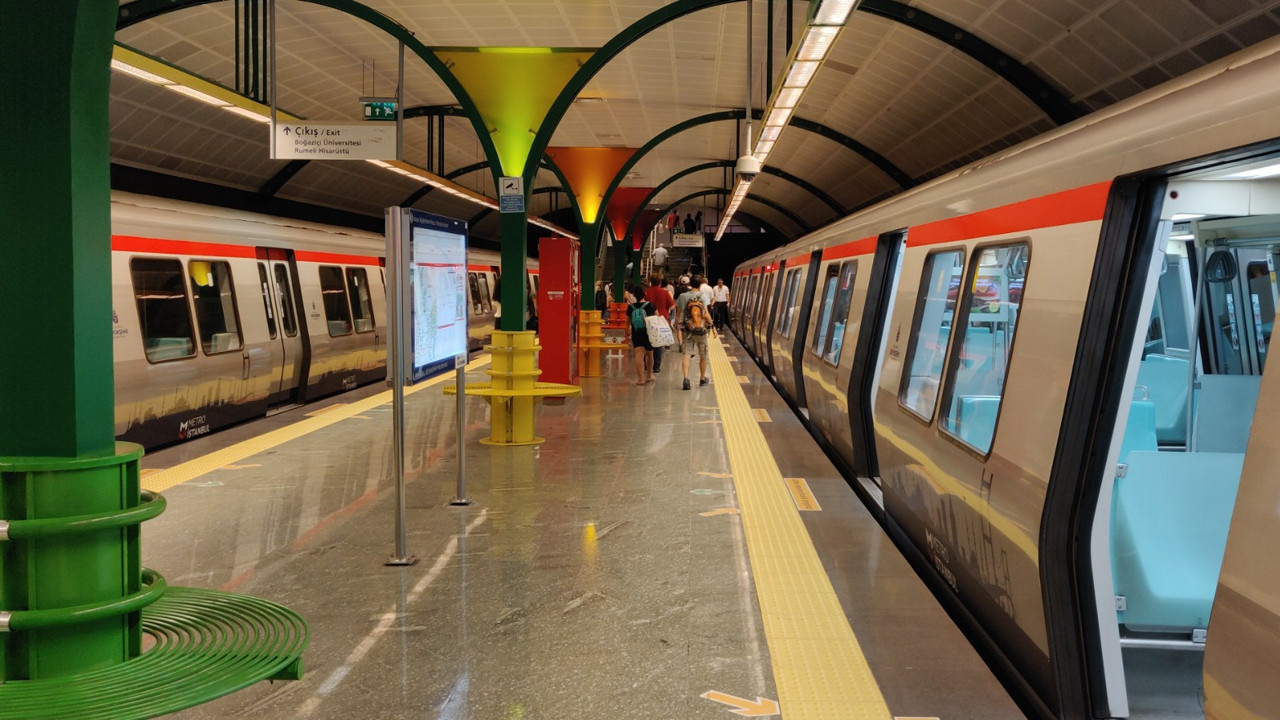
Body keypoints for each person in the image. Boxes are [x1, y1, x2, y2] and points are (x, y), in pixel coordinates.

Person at [676, 276, 712, 390]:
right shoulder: (703, 296)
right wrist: (712, 325)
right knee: (703, 355)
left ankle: (686, 379)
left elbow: (678, 314)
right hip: (700, 330)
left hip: (688, 329)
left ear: (690, 284)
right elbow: (706, 314)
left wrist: (678, 324)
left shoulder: (682, 296)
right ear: (700, 285)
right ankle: (702, 378)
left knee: (686, 354)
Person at [643, 274, 674, 374]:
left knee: (647, 343)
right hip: (661, 319)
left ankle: (646, 365)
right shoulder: (664, 292)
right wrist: (666, 310)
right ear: (660, 282)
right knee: (658, 343)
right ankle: (656, 366)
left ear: (651, 281)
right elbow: (672, 305)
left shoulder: (646, 292)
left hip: (648, 319)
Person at [629, 284, 655, 385]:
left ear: (634, 295)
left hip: (636, 333)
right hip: (648, 333)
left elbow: (628, 323)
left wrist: (627, 333)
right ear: (645, 294)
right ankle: (649, 376)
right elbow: (653, 320)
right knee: (649, 355)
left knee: (638, 355)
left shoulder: (631, 307)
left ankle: (640, 379)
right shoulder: (649, 305)